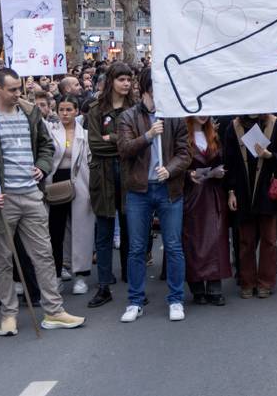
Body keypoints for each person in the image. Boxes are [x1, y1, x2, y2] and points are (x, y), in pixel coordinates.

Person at [0, 68, 85, 336]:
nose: (18, 94)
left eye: (19, 89)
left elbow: (47, 145)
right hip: (3, 199)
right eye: (12, 89)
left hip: (32, 195)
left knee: (44, 255)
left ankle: (54, 311)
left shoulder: (30, 113)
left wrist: (42, 166)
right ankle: (8, 315)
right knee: (2, 260)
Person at [117, 68, 191, 323]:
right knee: (137, 248)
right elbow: (124, 149)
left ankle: (176, 299)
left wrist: (169, 171)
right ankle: (135, 301)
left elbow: (184, 153)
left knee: (173, 245)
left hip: (168, 189)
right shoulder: (128, 116)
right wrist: (148, 135)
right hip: (139, 190)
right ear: (148, 88)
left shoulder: (175, 118)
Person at [224, 114, 277, 299]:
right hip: (242, 190)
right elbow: (228, 161)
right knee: (245, 240)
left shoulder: (274, 124)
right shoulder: (234, 126)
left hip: (267, 190)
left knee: (269, 239)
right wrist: (230, 191)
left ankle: (266, 282)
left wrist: (269, 155)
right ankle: (247, 281)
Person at [86, 62, 134, 308]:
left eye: (129, 79)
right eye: (121, 79)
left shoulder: (135, 109)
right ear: (111, 81)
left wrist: (115, 139)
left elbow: (137, 143)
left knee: (130, 229)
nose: (126, 83)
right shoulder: (95, 110)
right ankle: (104, 284)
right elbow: (95, 144)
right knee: (104, 231)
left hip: (129, 174)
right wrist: (123, 143)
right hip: (103, 175)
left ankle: (131, 280)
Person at [45, 96, 94, 296]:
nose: (65, 113)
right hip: (56, 184)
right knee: (54, 232)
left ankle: (81, 276)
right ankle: (56, 274)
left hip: (80, 183)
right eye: (61, 109)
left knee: (81, 230)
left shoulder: (86, 134)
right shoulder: (50, 130)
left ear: (76, 111)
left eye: (69, 109)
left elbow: (91, 160)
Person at [182, 116, 231, 305]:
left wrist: (220, 172)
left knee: (216, 239)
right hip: (192, 195)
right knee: (193, 240)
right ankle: (197, 288)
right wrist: (189, 175)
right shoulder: (183, 135)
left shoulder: (213, 135)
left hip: (213, 193)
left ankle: (214, 287)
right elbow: (176, 163)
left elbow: (223, 159)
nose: (203, 115)